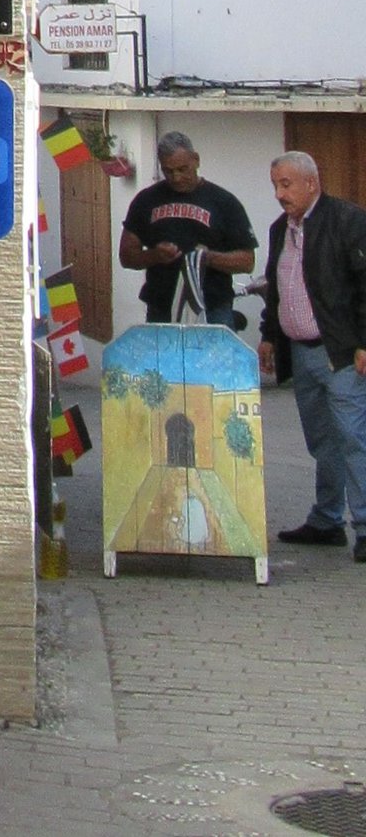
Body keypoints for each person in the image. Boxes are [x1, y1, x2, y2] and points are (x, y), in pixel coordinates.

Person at [258, 151, 366, 559]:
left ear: (311, 183)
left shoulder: (347, 221)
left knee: (353, 438)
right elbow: (277, 286)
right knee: (322, 441)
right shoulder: (279, 229)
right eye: (275, 185)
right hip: (301, 353)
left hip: (340, 352)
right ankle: (326, 520)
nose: (279, 193)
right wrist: (270, 335)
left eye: (286, 184)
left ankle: (365, 526)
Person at [118, 131, 257, 326]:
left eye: (183, 169)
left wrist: (208, 258)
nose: (176, 177)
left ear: (196, 160)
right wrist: (155, 255)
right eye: (168, 171)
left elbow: (247, 261)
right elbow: (126, 256)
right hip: (162, 308)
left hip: (213, 307)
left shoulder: (224, 202)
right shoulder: (146, 200)